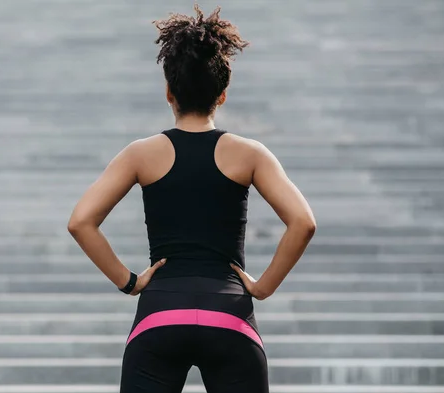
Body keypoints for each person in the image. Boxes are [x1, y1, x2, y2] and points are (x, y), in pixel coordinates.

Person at [68, 4, 316, 392]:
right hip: (230, 316)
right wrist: (263, 286)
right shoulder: (250, 154)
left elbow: (80, 221)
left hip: (160, 315)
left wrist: (130, 281)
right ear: (223, 94)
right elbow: (303, 222)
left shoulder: (140, 153)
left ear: (169, 91)